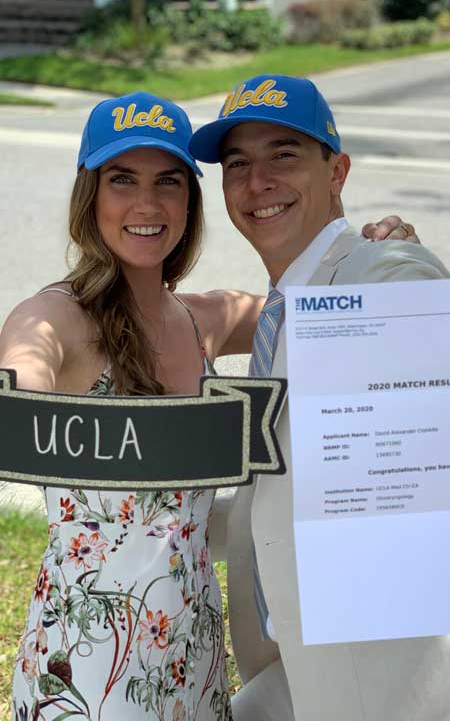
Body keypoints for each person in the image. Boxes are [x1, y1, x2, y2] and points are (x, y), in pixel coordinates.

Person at [185, 74, 450, 721]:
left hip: (408, 687)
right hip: (301, 673)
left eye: (283, 156)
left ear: (338, 172)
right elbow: (292, 483)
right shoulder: (287, 306)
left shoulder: (382, 272)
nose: (257, 181)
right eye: (238, 164)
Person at [2, 91, 417, 721]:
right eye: (122, 180)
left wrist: (375, 248)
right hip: (86, 668)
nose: (147, 203)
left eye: (168, 181)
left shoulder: (205, 319)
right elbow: (23, 375)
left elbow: (318, 293)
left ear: (191, 202)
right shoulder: (57, 315)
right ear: (91, 197)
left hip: (194, 656)